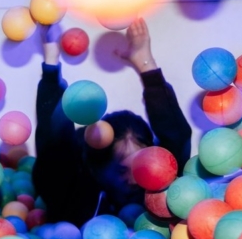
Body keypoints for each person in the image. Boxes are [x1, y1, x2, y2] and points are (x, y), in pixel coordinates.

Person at [32, 18, 192, 226]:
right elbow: (53, 147)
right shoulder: (72, 195)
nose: (133, 180)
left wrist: (145, 62)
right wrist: (51, 64)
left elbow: (176, 139)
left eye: (140, 168)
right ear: (97, 168)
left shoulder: (161, 193)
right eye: (122, 170)